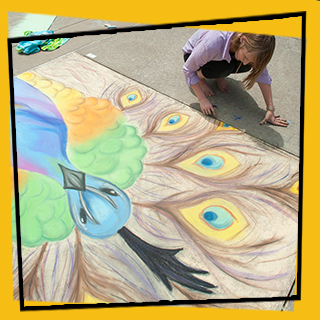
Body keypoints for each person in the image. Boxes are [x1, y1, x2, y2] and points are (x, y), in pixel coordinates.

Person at [182, 29, 289, 127]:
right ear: (243, 40)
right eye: (246, 57)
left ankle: (219, 75)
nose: (246, 62)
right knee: (223, 68)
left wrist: (270, 109)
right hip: (193, 55)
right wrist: (202, 99)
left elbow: (262, 73)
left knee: (242, 66)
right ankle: (201, 77)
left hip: (220, 53)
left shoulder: (251, 44)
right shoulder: (213, 42)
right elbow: (188, 69)